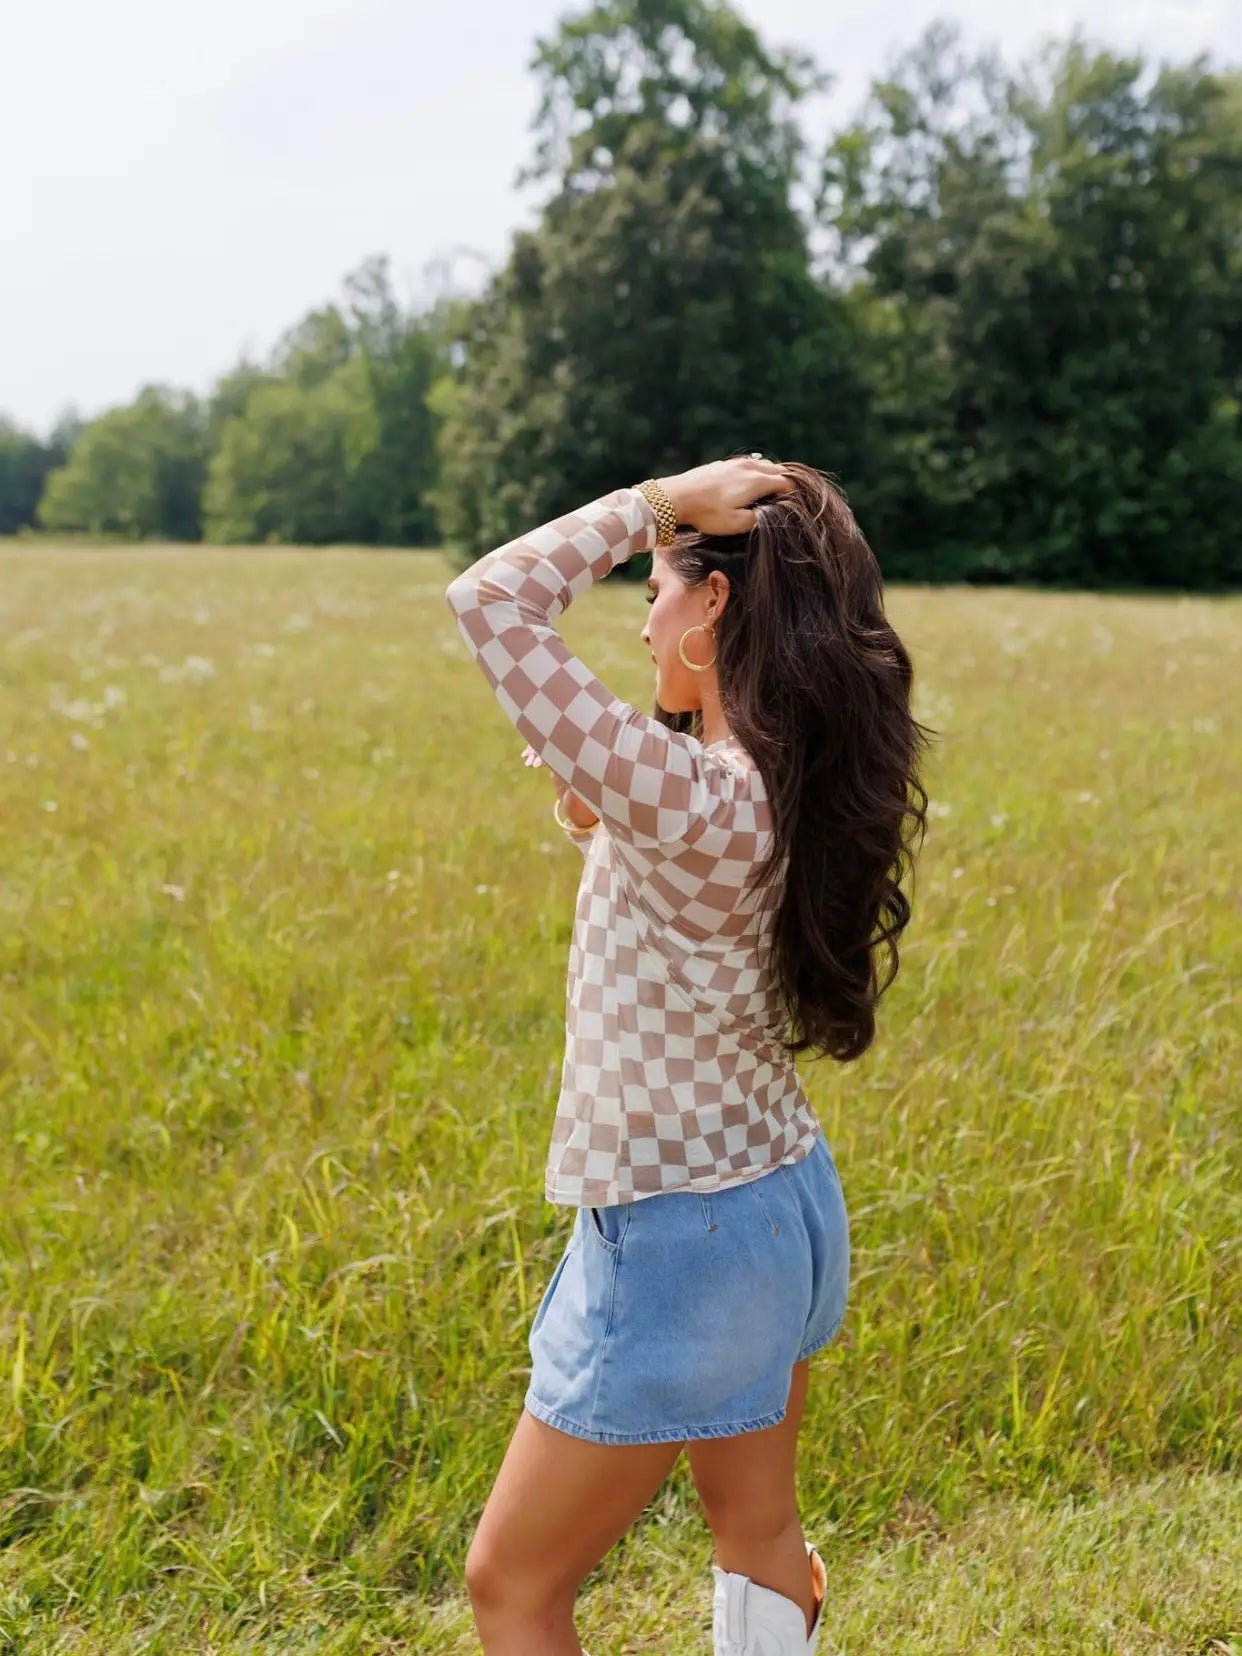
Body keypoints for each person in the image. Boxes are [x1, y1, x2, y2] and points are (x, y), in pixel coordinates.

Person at [444, 454, 932, 1656]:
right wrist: (624, 769)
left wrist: (657, 502)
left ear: (715, 605)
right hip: (782, 1203)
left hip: (679, 1237)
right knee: (758, 1532)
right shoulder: (791, 775)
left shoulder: (696, 798)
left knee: (512, 1584)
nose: (647, 613)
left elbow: (490, 599)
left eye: (657, 587)